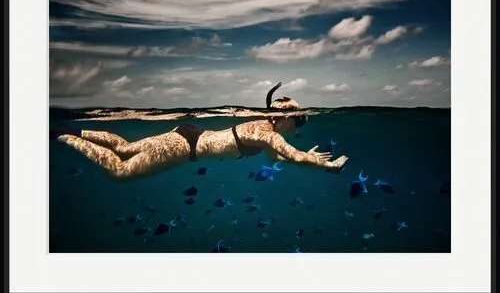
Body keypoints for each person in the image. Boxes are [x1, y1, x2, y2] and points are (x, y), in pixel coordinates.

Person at [51, 82, 349, 181]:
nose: (300, 125)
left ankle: (69, 131)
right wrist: (325, 166)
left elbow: (282, 157)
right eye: (299, 120)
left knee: (127, 148)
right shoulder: (267, 131)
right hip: (186, 148)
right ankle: (64, 135)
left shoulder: (266, 133)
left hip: (188, 134)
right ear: (282, 119)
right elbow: (291, 156)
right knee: (120, 170)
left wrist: (303, 157)